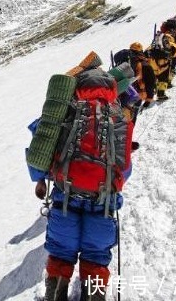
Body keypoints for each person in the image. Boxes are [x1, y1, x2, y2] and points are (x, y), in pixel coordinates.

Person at [28, 55, 133, 301]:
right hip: (103, 200)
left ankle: (56, 295)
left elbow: (41, 145)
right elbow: (125, 168)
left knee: (61, 252)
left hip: (66, 196)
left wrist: (41, 180)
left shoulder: (67, 113)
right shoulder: (119, 118)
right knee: (96, 256)